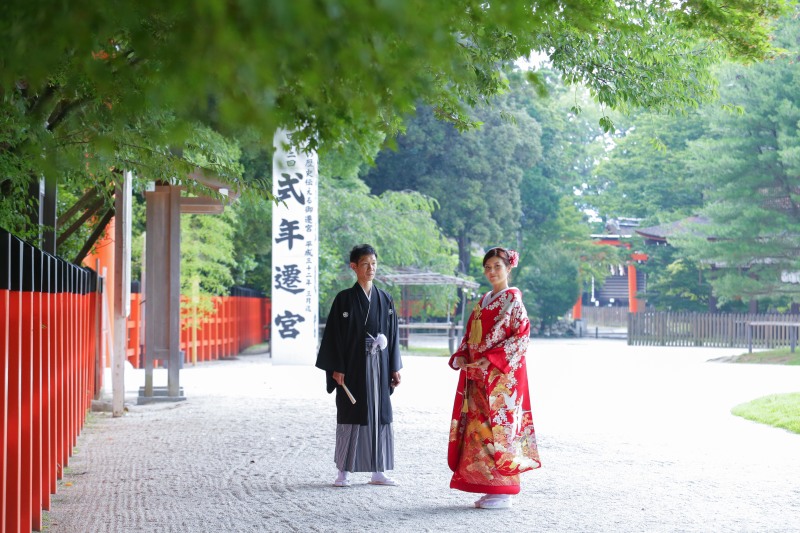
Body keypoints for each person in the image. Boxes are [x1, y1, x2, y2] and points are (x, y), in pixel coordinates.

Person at [447, 247, 541, 509]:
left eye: (497, 267)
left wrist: (490, 359)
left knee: (500, 431)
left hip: (500, 379)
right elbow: (470, 335)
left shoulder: (513, 300)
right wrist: (463, 354)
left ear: (509, 268)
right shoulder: (485, 299)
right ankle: (490, 486)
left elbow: (521, 338)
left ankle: (505, 490)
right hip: (477, 375)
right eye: (488, 267)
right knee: (479, 431)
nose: (492, 272)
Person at [316, 244, 403, 488]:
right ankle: (344, 470)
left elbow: (393, 335)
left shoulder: (385, 298)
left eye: (374, 263)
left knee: (379, 415)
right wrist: (336, 367)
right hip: (352, 366)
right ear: (354, 267)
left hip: (380, 364)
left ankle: (379, 470)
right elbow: (334, 336)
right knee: (351, 414)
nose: (371, 268)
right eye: (365, 264)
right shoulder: (344, 299)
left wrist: (394, 366)